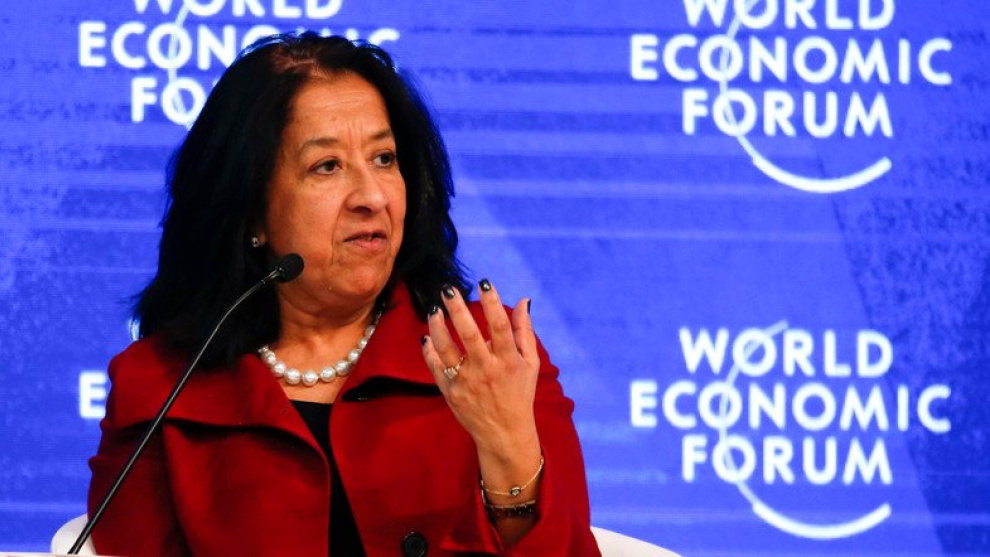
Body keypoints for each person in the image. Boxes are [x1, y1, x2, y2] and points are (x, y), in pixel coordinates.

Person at [87, 32, 599, 556]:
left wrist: (510, 453)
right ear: (252, 211)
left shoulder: (490, 357)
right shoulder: (164, 383)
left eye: (384, 158)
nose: (372, 196)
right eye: (327, 166)